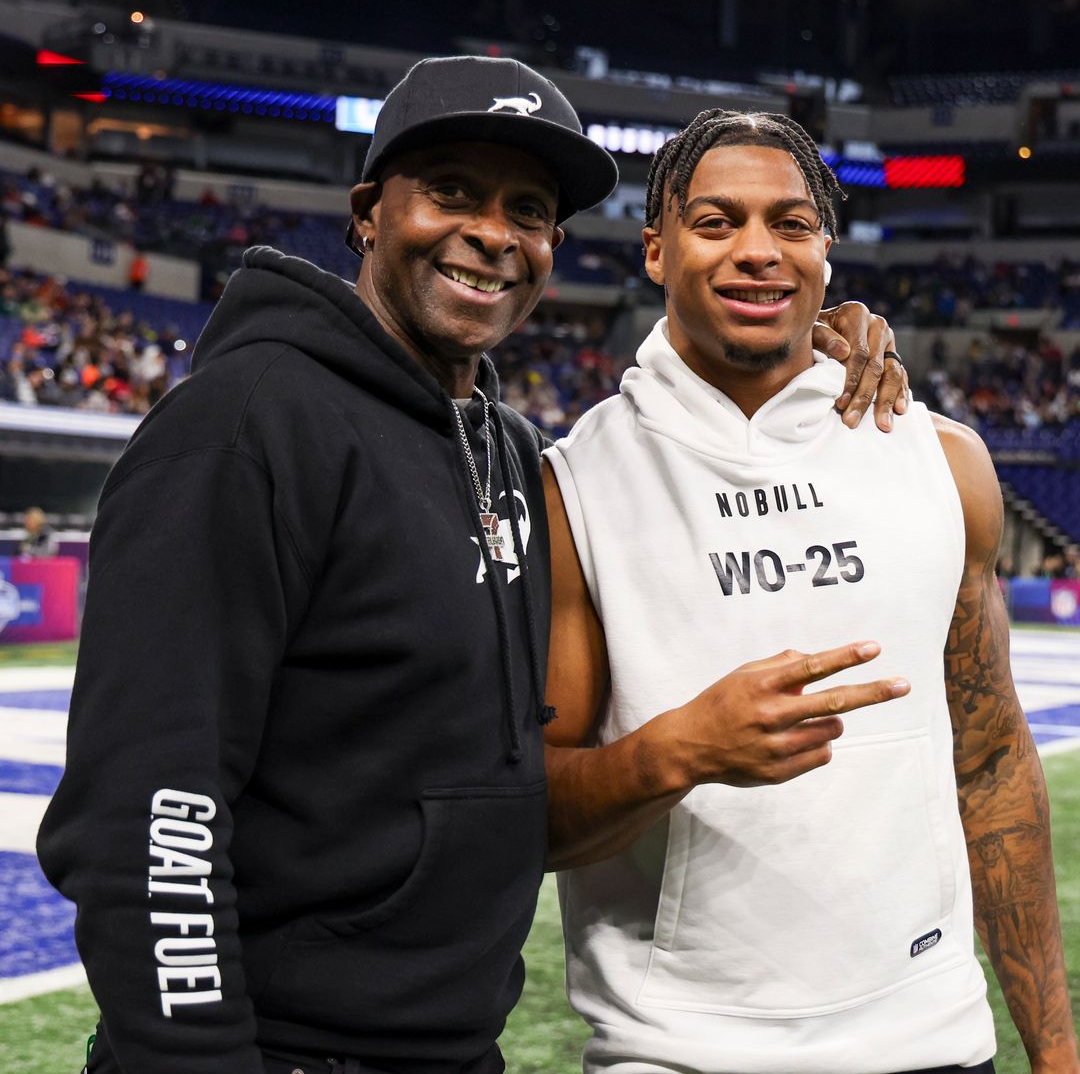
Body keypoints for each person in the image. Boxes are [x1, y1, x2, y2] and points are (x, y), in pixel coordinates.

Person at [38, 58, 906, 1074]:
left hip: (450, 1049)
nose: (494, 233)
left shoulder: (504, 447)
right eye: (452, 191)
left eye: (528, 209)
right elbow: (149, 809)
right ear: (369, 212)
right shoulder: (243, 428)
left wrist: (823, 339)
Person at [543, 110, 1079, 1074]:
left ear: (828, 251)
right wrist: (678, 752)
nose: (759, 251)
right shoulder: (573, 486)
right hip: (678, 1055)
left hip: (934, 1044)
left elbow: (993, 764)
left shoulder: (942, 460)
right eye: (717, 222)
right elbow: (527, 814)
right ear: (656, 251)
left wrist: (1055, 1051)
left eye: (791, 223)